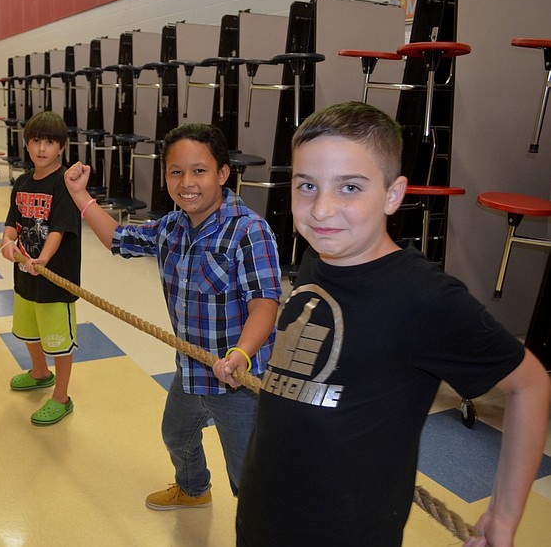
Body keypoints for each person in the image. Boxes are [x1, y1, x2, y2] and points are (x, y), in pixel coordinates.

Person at [235, 101, 551, 547]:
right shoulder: (317, 257)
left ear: (393, 194)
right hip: (263, 514)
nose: (322, 210)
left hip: (345, 532)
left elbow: (531, 383)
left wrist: (503, 513)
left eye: (349, 188)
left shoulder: (426, 297)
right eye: (307, 186)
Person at [64, 122, 282, 508]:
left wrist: (242, 354)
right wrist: (81, 196)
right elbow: (118, 238)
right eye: (176, 172)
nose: (187, 183)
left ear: (223, 173)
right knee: (177, 436)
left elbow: (264, 303)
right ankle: (194, 489)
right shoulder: (172, 227)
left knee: (250, 477)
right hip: (190, 370)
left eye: (199, 171)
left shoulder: (249, 231)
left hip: (238, 382)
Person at [0, 111, 81, 426]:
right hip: (25, 275)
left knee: (58, 340)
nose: (41, 148)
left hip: (54, 277)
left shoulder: (65, 183)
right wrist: (7, 242)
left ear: (61, 146)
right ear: (27, 144)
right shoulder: (22, 181)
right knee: (29, 331)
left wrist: (43, 260)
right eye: (36, 141)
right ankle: (39, 372)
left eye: (49, 142)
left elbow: (59, 229)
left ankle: (61, 397)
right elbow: (12, 222)